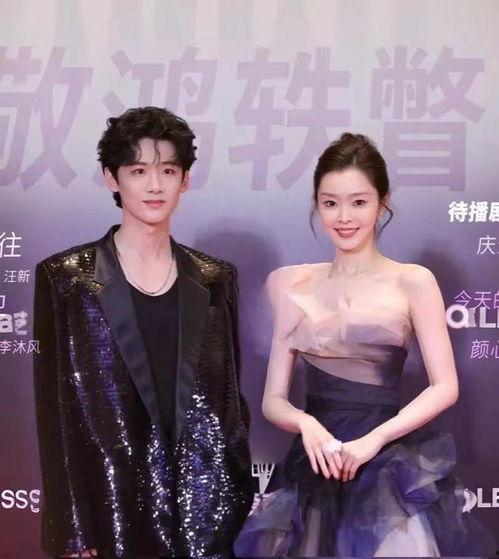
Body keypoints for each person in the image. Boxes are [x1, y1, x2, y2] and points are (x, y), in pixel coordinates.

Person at [234, 133, 496, 557]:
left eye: (358, 202)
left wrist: (375, 440)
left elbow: (445, 387)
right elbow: (273, 401)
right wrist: (306, 425)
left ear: (382, 202)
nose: (344, 217)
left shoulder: (413, 281)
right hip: (315, 465)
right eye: (330, 203)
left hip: (385, 465)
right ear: (316, 205)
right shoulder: (291, 284)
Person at [33, 106, 253, 558]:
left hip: (204, 511)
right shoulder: (67, 279)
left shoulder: (215, 278)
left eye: (168, 171)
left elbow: (230, 399)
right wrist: (73, 531)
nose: (155, 186)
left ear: (184, 180)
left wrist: (232, 493)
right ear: (111, 179)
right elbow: (53, 410)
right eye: (138, 171)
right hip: (111, 508)